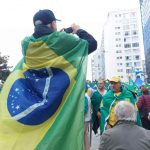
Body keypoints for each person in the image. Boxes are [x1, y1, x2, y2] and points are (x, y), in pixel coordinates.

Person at [0, 9, 97, 149]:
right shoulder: (60, 40)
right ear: (52, 24)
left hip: (33, 98)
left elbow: (45, 46)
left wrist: (58, 35)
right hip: (56, 99)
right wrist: (77, 30)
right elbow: (91, 44)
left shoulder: (26, 44)